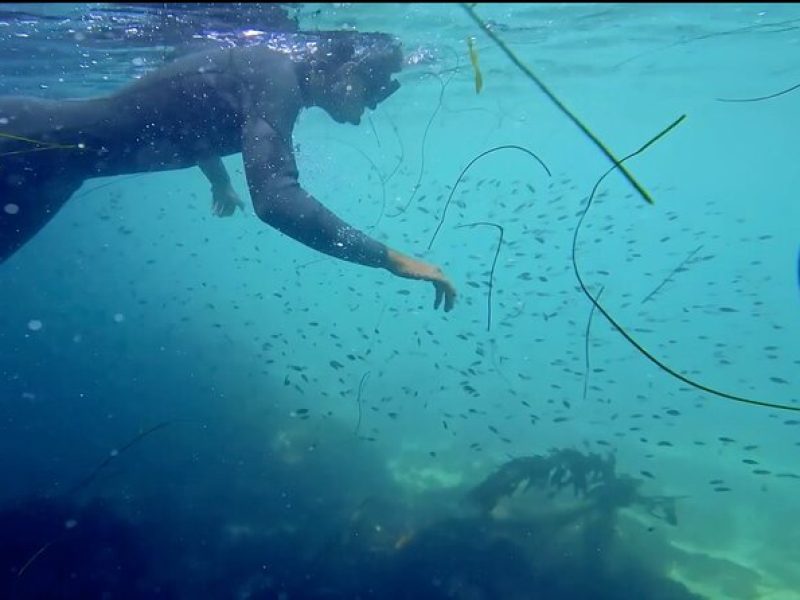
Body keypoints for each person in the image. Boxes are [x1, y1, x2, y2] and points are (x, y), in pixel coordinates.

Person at [0, 31, 456, 312]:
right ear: (347, 69)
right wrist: (391, 260)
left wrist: (219, 180)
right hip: (25, 142)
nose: (362, 114)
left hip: (49, 170)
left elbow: (184, 114)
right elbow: (276, 201)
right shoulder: (276, 81)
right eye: (370, 96)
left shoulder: (268, 78)